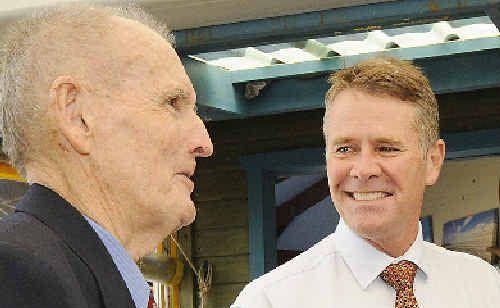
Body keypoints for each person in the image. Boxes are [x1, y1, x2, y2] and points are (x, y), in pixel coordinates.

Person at [231, 57, 500, 308]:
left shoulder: (484, 289)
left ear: (432, 161)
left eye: (386, 148)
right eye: (345, 149)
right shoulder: (271, 301)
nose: (363, 170)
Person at [0, 4, 212, 308]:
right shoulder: (18, 277)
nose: (204, 143)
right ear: (77, 116)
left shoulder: (68, 275)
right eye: (172, 102)